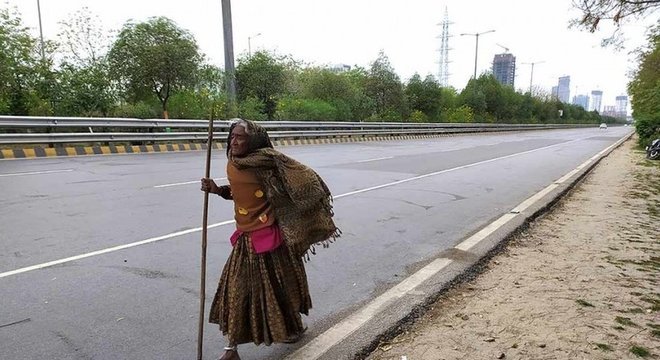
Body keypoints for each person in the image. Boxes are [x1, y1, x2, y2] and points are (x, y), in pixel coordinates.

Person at [201, 119, 340, 360]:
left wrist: (297, 208)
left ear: (252, 140)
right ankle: (233, 348)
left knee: (277, 287)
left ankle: (282, 330)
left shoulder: (267, 163)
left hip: (270, 235)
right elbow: (238, 193)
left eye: (240, 137)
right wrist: (217, 190)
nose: (234, 141)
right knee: (238, 289)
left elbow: (300, 182)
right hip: (246, 237)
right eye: (232, 136)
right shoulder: (234, 162)